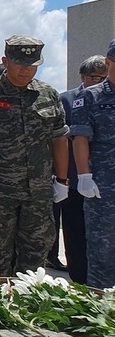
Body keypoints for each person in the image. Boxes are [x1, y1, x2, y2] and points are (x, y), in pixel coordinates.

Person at [0, 36, 69, 276]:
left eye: (32, 65)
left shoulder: (48, 94)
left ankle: (26, 309)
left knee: (35, 258)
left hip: (38, 192)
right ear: (5, 61)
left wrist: (62, 180)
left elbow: (59, 139)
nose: (26, 70)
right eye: (20, 64)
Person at [69, 40, 115, 288]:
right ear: (108, 64)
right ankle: (102, 311)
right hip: (104, 189)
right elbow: (80, 138)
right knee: (102, 253)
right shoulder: (91, 96)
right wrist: (85, 176)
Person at [58, 55, 106, 284]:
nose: (100, 81)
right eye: (96, 77)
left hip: (106, 180)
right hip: (75, 181)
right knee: (75, 234)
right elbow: (58, 141)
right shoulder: (66, 100)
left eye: (103, 77)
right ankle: (78, 280)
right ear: (83, 77)